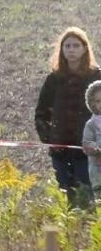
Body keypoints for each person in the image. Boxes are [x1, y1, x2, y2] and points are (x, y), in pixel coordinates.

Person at [36, 27, 101, 208]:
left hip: (90, 154)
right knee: (68, 202)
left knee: (88, 201)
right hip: (60, 153)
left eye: (76, 45)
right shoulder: (53, 79)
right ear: (61, 50)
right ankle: (72, 234)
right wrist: (50, 138)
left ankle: (88, 235)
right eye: (67, 46)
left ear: (85, 49)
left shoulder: (97, 77)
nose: (71, 49)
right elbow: (41, 113)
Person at [81, 81, 101, 202]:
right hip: (98, 171)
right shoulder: (91, 124)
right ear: (92, 103)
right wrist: (95, 148)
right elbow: (86, 144)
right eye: (98, 101)